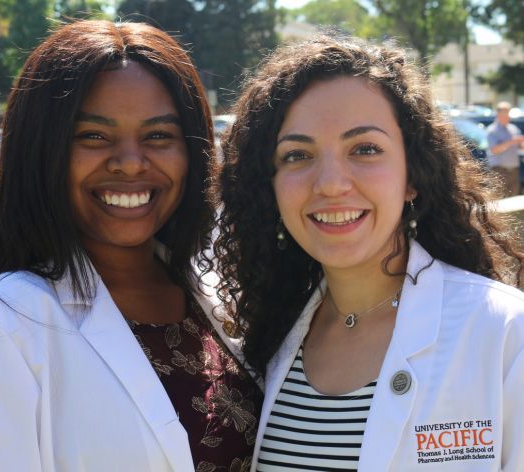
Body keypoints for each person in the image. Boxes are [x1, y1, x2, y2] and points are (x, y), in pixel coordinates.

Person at [0, 20, 262, 471]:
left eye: (158, 136)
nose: (131, 163)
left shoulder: (215, 294)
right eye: (93, 135)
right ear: (42, 151)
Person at [213, 32, 524, 471]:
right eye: (298, 155)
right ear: (270, 188)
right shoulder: (268, 337)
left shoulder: (508, 334)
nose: (331, 183)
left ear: (412, 176)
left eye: (365, 149)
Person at [486, 101, 524, 197]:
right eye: (505, 113)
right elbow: (494, 150)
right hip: (499, 170)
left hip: (514, 170)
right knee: (500, 199)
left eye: (508, 112)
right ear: (498, 114)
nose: (507, 116)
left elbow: (520, 147)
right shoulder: (492, 130)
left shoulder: (514, 129)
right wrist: (511, 141)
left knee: (513, 199)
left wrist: (521, 143)